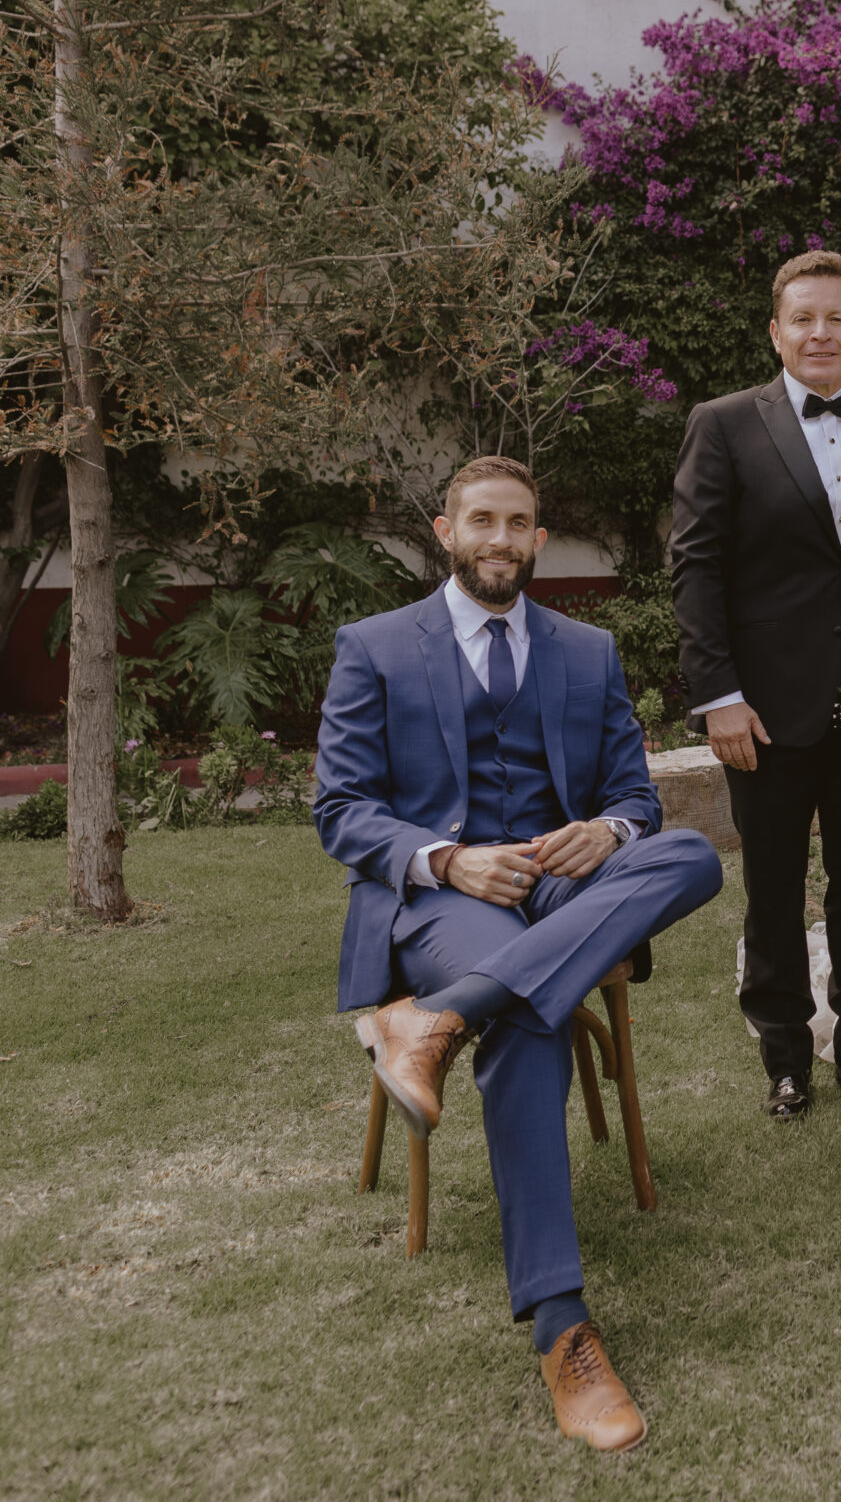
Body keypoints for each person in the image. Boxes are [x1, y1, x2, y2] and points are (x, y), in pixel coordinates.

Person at [316, 455, 724, 1453]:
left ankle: (441, 1018)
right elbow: (341, 810)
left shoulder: (586, 650)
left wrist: (609, 833)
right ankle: (562, 1327)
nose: (499, 540)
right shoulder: (375, 647)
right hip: (444, 899)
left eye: (518, 524)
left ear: (539, 539)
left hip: (562, 882)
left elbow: (635, 796)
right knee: (535, 1024)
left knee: (691, 856)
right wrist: (448, 859)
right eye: (481, 521)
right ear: (445, 531)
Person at [669, 250, 841, 1120]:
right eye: (803, 319)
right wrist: (718, 697)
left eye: (835, 318)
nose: (820, 333)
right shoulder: (724, 423)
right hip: (764, 711)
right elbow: (696, 567)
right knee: (772, 889)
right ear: (776, 332)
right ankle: (784, 1060)